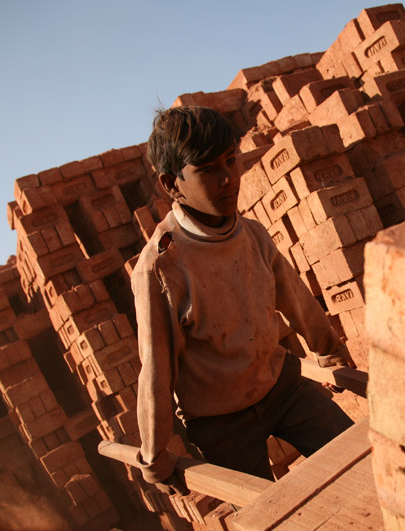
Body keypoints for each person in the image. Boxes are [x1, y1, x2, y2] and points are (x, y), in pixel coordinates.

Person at [132, 105, 354, 493]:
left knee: (360, 465)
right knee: (267, 516)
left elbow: (294, 296)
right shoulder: (162, 268)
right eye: (207, 170)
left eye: (230, 161)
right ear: (172, 184)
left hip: (282, 386)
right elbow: (156, 369)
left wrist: (328, 350)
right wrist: (155, 456)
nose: (226, 179)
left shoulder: (251, 234)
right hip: (220, 422)